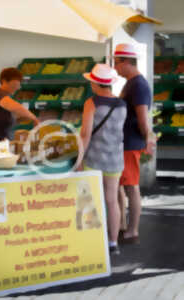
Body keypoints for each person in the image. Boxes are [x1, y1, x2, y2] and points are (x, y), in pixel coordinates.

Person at [78, 64, 127, 255]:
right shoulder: (122, 104)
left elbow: (85, 135)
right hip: (114, 159)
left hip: (95, 159)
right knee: (111, 200)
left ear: (95, 83)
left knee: (89, 200)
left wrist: (78, 161)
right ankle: (113, 243)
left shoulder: (91, 103)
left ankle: (91, 241)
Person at [113, 43, 156, 243]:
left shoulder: (138, 85)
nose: (115, 67)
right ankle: (122, 226)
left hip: (131, 145)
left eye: (117, 62)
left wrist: (147, 140)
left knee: (131, 188)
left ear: (127, 62)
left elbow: (142, 118)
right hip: (125, 144)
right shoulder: (131, 83)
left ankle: (132, 231)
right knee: (122, 187)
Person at [0, 67, 39, 140]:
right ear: (4, 81)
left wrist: (23, 118)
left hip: (3, 140)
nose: (18, 87)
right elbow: (15, 107)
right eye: (16, 84)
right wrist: (34, 118)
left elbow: (7, 120)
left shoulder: (5, 96)